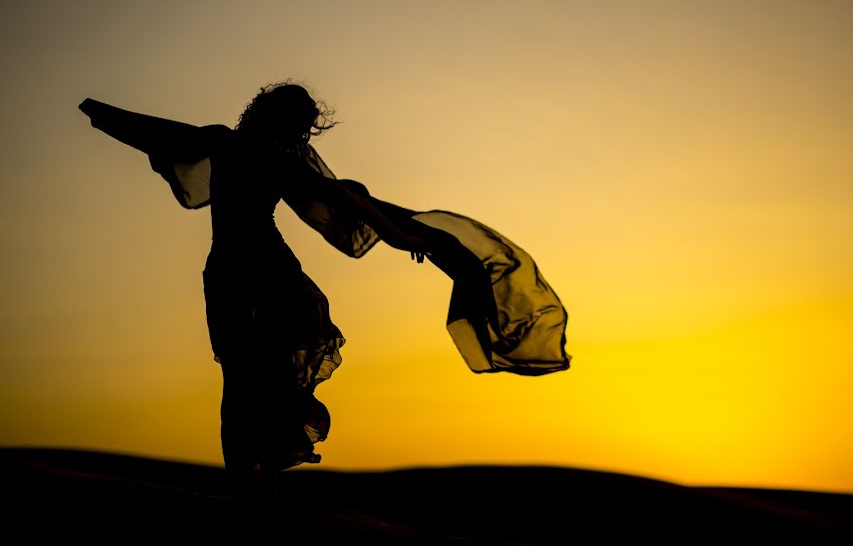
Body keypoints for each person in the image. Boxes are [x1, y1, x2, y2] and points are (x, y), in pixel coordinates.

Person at [78, 81, 570, 502]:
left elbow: (155, 132)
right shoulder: (271, 158)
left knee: (242, 376)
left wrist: (98, 113)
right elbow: (345, 198)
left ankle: (250, 488)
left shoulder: (227, 145)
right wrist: (406, 239)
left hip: (233, 271)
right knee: (259, 375)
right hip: (262, 271)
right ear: (292, 125)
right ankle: (256, 487)